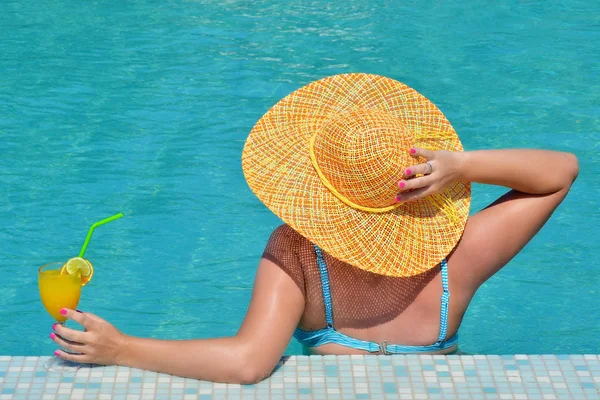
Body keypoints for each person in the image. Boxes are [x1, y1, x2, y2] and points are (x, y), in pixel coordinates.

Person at [50, 73, 578, 384]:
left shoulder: (298, 253)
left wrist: (123, 349)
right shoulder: (457, 258)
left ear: (314, 189)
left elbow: (249, 363)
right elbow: (560, 173)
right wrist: (463, 166)